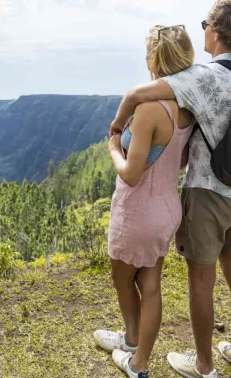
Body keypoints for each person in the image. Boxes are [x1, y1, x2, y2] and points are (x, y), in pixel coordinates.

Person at [110, 0, 231, 378]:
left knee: (201, 279)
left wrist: (116, 132)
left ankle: (204, 366)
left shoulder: (203, 77)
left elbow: (135, 96)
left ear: (214, 30)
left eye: (204, 25)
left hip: (208, 190)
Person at [94, 24, 194, 378]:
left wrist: (112, 147)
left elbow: (131, 173)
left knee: (123, 281)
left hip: (137, 209)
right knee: (150, 286)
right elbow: (179, 160)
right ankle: (139, 358)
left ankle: (134, 345)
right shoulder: (186, 109)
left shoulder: (151, 109)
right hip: (167, 206)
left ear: (154, 58)